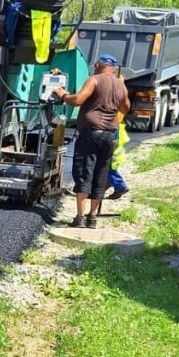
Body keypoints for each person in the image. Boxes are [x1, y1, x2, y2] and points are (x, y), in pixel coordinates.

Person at [52, 54, 130, 228]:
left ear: (97, 65)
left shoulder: (94, 80)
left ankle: (80, 217)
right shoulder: (120, 85)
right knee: (100, 175)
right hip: (110, 135)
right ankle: (92, 218)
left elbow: (78, 100)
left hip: (91, 134)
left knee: (83, 172)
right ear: (114, 68)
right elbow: (126, 107)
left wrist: (63, 95)